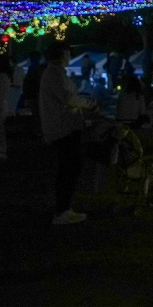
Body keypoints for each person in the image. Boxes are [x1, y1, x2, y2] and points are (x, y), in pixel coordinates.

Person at [40, 40, 91, 225]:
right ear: (62, 54)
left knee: (70, 169)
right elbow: (68, 99)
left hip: (66, 128)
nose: (70, 57)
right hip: (63, 129)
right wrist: (89, 103)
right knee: (68, 170)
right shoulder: (54, 73)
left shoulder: (56, 73)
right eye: (69, 54)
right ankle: (61, 211)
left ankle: (65, 209)